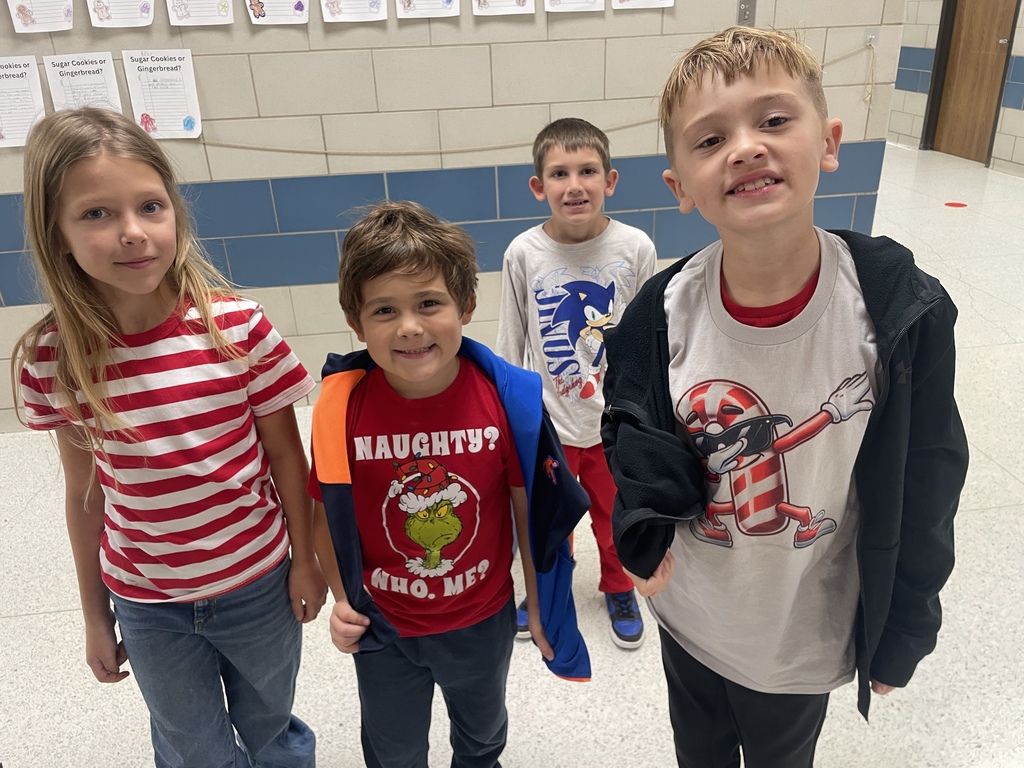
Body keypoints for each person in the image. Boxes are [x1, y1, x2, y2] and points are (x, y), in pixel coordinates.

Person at [601, 27, 969, 768]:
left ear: (829, 143)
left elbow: (930, 479)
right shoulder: (658, 314)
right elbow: (630, 439)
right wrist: (637, 532)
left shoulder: (898, 311)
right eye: (709, 141)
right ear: (679, 188)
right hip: (691, 618)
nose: (744, 147)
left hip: (801, 637)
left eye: (773, 120)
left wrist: (907, 625)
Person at [13, 107, 325, 768]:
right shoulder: (53, 358)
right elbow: (84, 495)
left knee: (268, 723)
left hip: (258, 581)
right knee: (192, 745)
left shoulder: (236, 328)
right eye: (96, 214)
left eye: (149, 206)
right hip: (146, 598)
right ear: (56, 233)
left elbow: (285, 457)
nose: (132, 233)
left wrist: (306, 558)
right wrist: (96, 616)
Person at [308, 200, 591, 768]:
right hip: (384, 625)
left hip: (481, 620)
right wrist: (342, 600)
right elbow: (326, 518)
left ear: (465, 306)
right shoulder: (343, 410)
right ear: (355, 323)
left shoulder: (503, 402)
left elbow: (526, 514)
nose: (409, 327)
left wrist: (536, 608)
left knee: (483, 738)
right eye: (384, 310)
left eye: (429, 303)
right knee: (392, 751)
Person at [496, 117, 657, 650]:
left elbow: (648, 338)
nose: (574, 185)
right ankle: (546, 592)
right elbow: (511, 341)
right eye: (559, 173)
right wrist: (507, 418)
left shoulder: (634, 248)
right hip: (550, 424)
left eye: (587, 170)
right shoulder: (523, 253)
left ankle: (618, 586)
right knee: (551, 520)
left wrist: (647, 414)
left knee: (614, 519)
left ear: (609, 180)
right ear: (539, 187)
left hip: (613, 424)